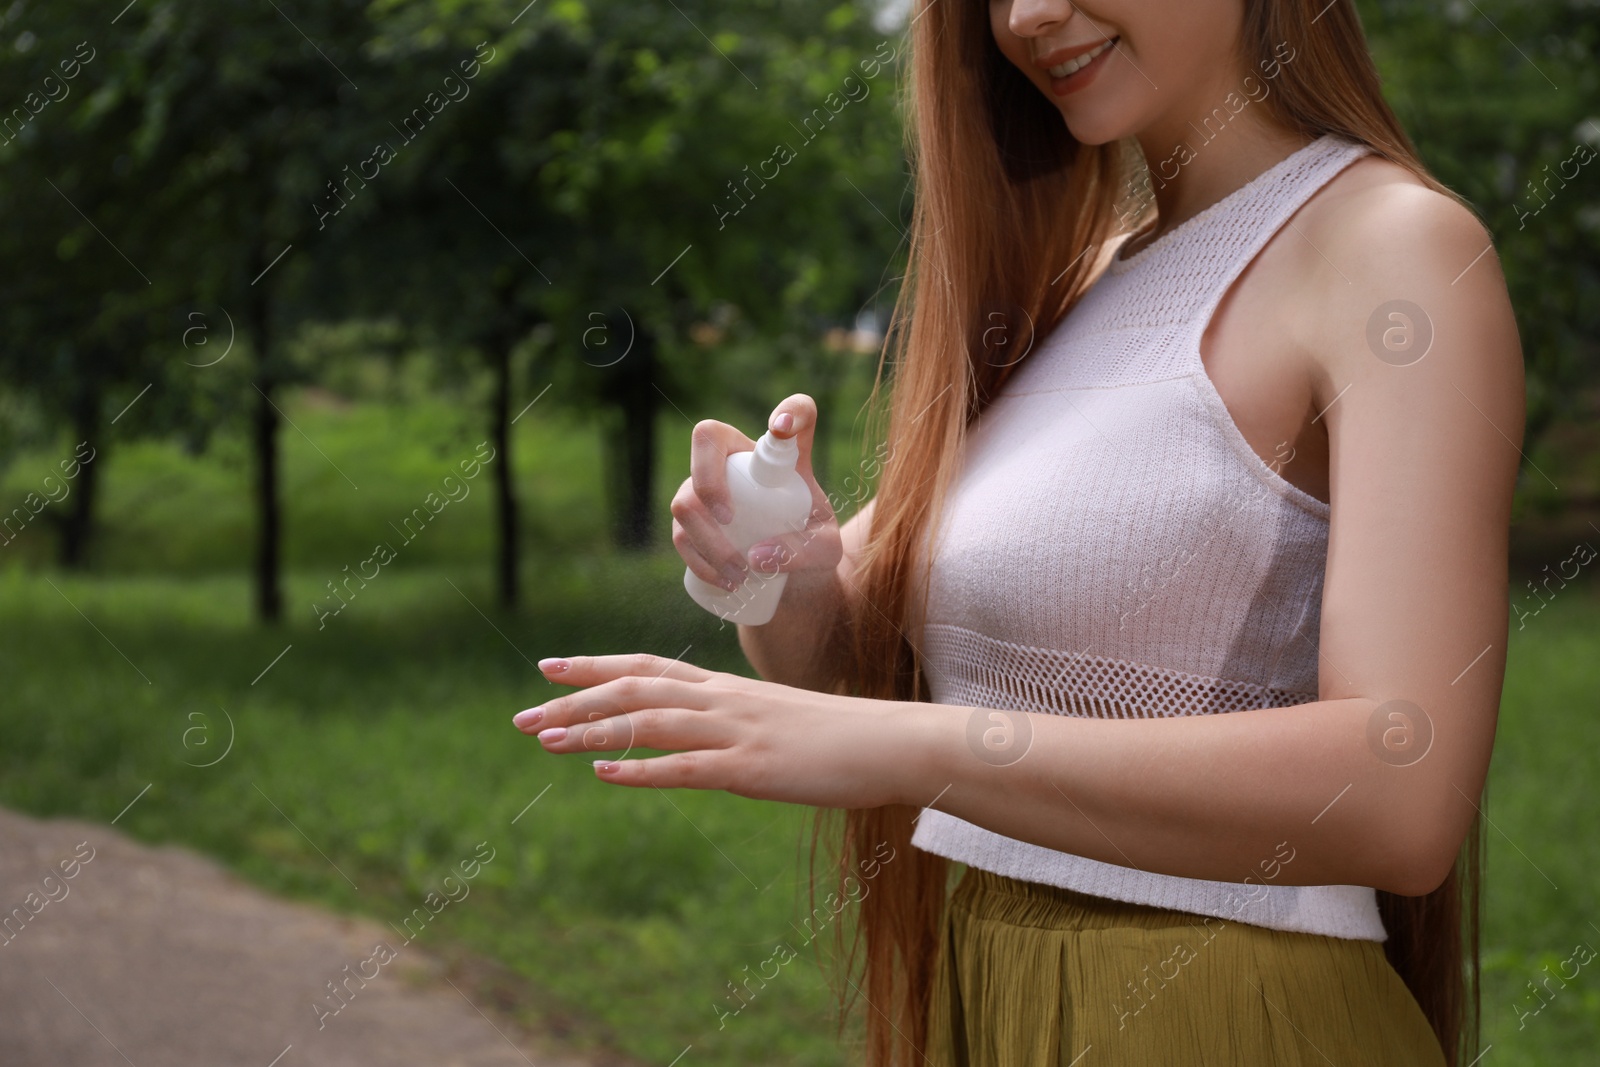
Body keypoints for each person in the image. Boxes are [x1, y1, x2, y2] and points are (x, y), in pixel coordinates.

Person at [512, 0, 1523, 1063]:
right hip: (989, 989)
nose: (1025, 16)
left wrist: (902, 749)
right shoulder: (1078, 281)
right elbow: (850, 682)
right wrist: (784, 577)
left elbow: (1403, 789)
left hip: (1220, 1008)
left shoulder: (1391, 249)